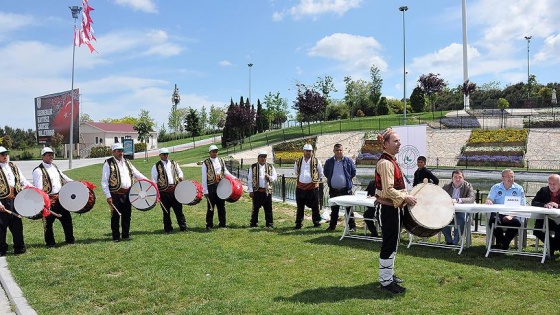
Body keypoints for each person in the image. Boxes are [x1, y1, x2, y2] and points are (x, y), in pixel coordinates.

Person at [373, 128, 417, 294]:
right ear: (385, 144)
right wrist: (405, 198)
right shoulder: (385, 163)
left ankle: (388, 275)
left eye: (399, 141)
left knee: (393, 243)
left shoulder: (391, 160)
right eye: (396, 141)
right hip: (387, 208)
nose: (399, 144)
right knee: (389, 243)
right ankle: (385, 282)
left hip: (392, 208)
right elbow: (388, 190)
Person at [101, 143, 148, 242]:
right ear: (113, 152)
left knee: (127, 215)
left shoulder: (127, 162)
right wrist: (108, 196)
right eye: (118, 151)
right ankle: (116, 237)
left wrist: (148, 181)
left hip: (128, 193)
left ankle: (125, 235)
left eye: (122, 151)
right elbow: (104, 181)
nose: (121, 153)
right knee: (115, 216)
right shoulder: (108, 163)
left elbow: (136, 173)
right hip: (115, 194)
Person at [32, 147, 75, 247]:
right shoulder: (38, 171)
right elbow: (38, 188)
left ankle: (70, 239)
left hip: (60, 198)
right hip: (48, 200)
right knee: (48, 223)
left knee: (67, 219)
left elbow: (63, 176)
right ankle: (50, 243)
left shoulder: (54, 166)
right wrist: (42, 202)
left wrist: (75, 183)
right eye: (48, 155)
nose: (51, 156)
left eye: (52, 154)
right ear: (42, 156)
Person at [0, 146, 32, 256]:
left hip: (15, 199)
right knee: (1, 226)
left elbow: (22, 179)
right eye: (3, 154)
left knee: (17, 224)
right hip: (2, 200)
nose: (5, 156)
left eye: (6, 154)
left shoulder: (13, 166)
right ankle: (1, 250)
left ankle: (19, 248)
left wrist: (32, 187)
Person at [485, 169, 526, 250]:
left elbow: (522, 205)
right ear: (502, 178)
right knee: (493, 221)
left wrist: (511, 216)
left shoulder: (519, 188)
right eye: (508, 177)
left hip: (514, 213)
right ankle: (503, 244)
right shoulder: (496, 187)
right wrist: (489, 201)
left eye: (512, 177)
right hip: (498, 213)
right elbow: (489, 199)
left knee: (517, 223)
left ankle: (502, 244)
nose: (510, 179)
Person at [151, 148, 187, 234]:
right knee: (166, 211)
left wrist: (181, 176)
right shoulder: (156, 166)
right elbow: (154, 180)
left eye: (167, 154)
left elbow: (179, 172)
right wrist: (157, 193)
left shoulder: (174, 163)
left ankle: (183, 227)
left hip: (175, 190)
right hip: (163, 192)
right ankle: (168, 228)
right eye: (163, 154)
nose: (166, 156)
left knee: (178, 210)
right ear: (160, 155)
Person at [324, 144, 357, 232]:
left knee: (349, 209)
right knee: (334, 209)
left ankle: (352, 226)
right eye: (337, 150)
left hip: (346, 190)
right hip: (333, 190)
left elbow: (353, 172)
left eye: (340, 150)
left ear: (343, 150)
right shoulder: (329, 162)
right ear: (334, 151)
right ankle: (332, 226)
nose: (339, 152)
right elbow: (326, 173)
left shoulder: (348, 161)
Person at [202, 144, 234, 230]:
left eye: (216, 151)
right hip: (211, 186)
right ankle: (209, 224)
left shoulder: (221, 160)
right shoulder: (205, 163)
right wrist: (205, 190)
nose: (215, 153)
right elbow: (204, 177)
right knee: (211, 206)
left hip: (220, 185)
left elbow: (225, 171)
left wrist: (234, 178)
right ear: (210, 152)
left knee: (221, 206)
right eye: (213, 151)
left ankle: (222, 224)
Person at [441, 170, 475, 245]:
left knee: (461, 219)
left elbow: (471, 199)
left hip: (462, 212)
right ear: (452, 178)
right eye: (455, 177)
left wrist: (457, 200)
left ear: (463, 178)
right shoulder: (446, 187)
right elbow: (440, 198)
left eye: (460, 177)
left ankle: (456, 241)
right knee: (441, 218)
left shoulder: (468, 186)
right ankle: (449, 241)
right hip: (448, 211)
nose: (457, 179)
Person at [294, 144, 324, 229]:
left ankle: (316, 222)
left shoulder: (316, 161)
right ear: (303, 151)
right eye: (306, 151)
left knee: (315, 206)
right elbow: (296, 172)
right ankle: (298, 223)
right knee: (300, 207)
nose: (308, 153)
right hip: (300, 187)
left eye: (310, 151)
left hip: (312, 187)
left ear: (312, 152)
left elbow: (321, 172)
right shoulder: (298, 161)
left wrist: (316, 180)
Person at [248, 150, 277, 228]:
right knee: (255, 208)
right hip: (257, 191)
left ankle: (269, 224)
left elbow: (275, 177)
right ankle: (253, 223)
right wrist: (251, 190)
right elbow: (250, 179)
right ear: (258, 158)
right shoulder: (253, 166)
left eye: (264, 157)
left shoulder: (270, 166)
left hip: (267, 191)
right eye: (261, 157)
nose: (263, 158)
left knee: (268, 208)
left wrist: (269, 177)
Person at [531, 174, 560, 254]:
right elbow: (534, 202)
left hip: (558, 220)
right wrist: (544, 205)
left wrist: (557, 205)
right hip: (544, 219)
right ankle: (553, 247)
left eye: (554, 184)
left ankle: (552, 247)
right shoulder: (543, 190)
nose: (551, 186)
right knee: (537, 231)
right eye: (550, 184)